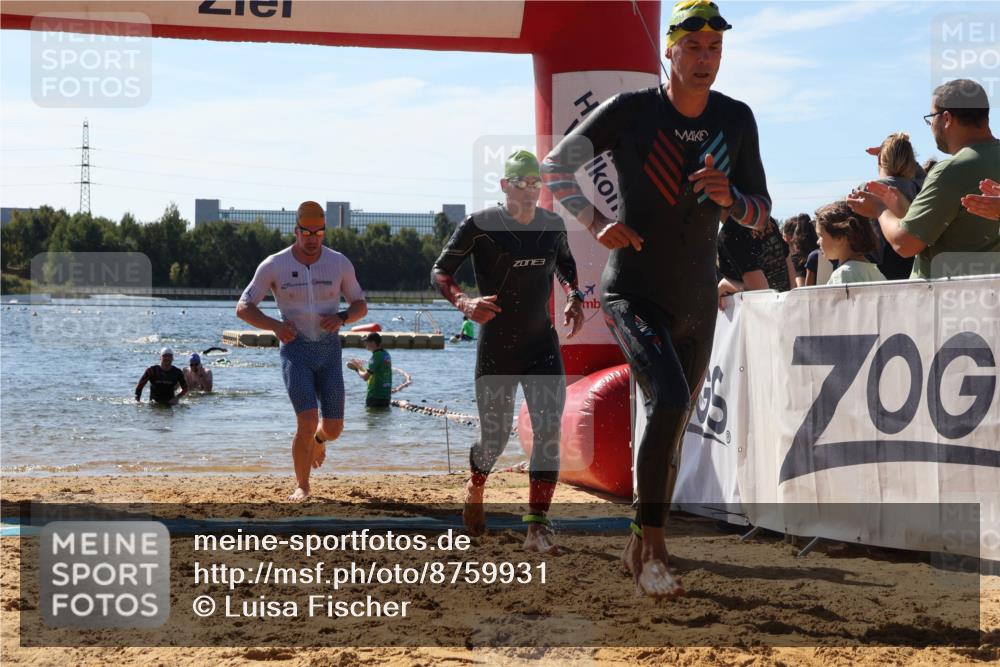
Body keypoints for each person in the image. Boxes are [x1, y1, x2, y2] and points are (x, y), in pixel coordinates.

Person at [542, 0, 769, 597]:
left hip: (697, 297)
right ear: (669, 50)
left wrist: (731, 198)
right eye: (693, 47)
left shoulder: (736, 119)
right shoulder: (632, 111)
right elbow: (556, 168)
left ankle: (638, 543)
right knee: (666, 398)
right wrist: (595, 222)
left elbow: (761, 217)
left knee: (674, 423)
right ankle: (657, 552)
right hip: (632, 292)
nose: (705, 60)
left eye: (715, 49)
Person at [432, 150, 585, 555]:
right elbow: (440, 272)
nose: (532, 191)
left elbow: (566, 266)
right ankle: (477, 484)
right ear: (505, 186)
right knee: (494, 440)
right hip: (498, 348)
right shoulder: (480, 225)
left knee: (549, 433)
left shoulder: (551, 225)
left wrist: (573, 296)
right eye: (523, 184)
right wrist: (464, 303)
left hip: (541, 346)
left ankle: (536, 529)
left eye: (537, 184)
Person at [237, 200, 368, 501]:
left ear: (324, 232)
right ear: (295, 231)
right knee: (306, 420)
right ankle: (303, 486)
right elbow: (244, 308)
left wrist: (343, 317)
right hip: (295, 351)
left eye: (318, 233)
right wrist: (275, 326)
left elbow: (361, 304)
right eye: (306, 233)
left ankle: (320, 440)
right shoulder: (274, 265)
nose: (312, 239)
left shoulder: (338, 263)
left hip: (329, 352)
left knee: (332, 428)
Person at [847, 79, 999, 279]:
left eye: (931, 118)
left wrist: (880, 208)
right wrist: (903, 209)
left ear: (946, 118)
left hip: (944, 302)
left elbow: (905, 244)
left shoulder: (950, 171)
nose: (930, 126)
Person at [857, 133, 920, 280]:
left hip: (878, 268)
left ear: (879, 159)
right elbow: (920, 172)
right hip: (913, 262)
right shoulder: (919, 186)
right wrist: (902, 149)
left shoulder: (866, 189)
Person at [716, 215, 792, 308]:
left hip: (767, 313)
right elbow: (788, 260)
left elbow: (761, 293)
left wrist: (725, 285)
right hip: (786, 306)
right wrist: (792, 299)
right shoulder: (763, 218)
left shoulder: (730, 233)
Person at [815, 201, 886, 285]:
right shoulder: (873, 270)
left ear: (839, 238)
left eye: (820, 236)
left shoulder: (843, 274)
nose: (817, 242)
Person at [346, 332, 392, 408]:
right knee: (382, 418)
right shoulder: (386, 354)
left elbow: (365, 377)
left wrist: (356, 369)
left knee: (371, 418)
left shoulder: (375, 356)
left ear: (373, 343)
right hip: (386, 396)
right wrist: (360, 367)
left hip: (374, 396)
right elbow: (375, 373)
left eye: (366, 342)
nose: (365, 344)